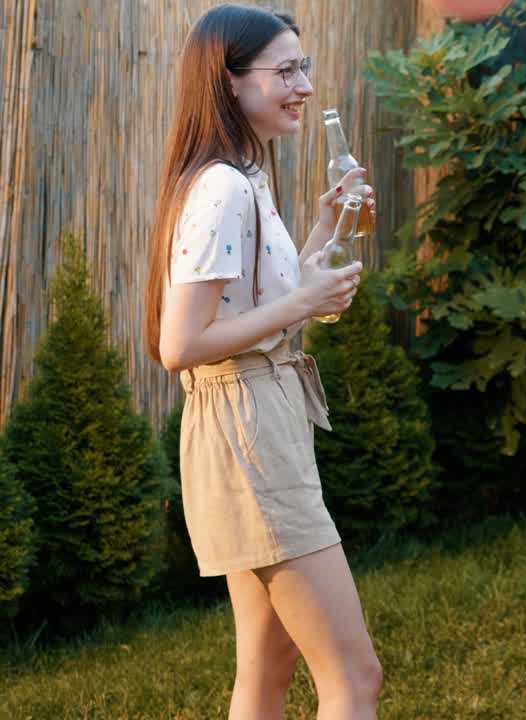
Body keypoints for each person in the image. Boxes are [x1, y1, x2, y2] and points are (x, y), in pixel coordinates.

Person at [142, 5, 381, 719]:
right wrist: (303, 300)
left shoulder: (243, 177)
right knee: (354, 676)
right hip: (248, 428)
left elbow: (256, 308)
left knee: (269, 664)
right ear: (230, 81)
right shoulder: (222, 187)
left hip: (250, 417)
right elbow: (180, 345)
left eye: (303, 68)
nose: (303, 85)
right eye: (286, 71)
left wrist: (325, 228)